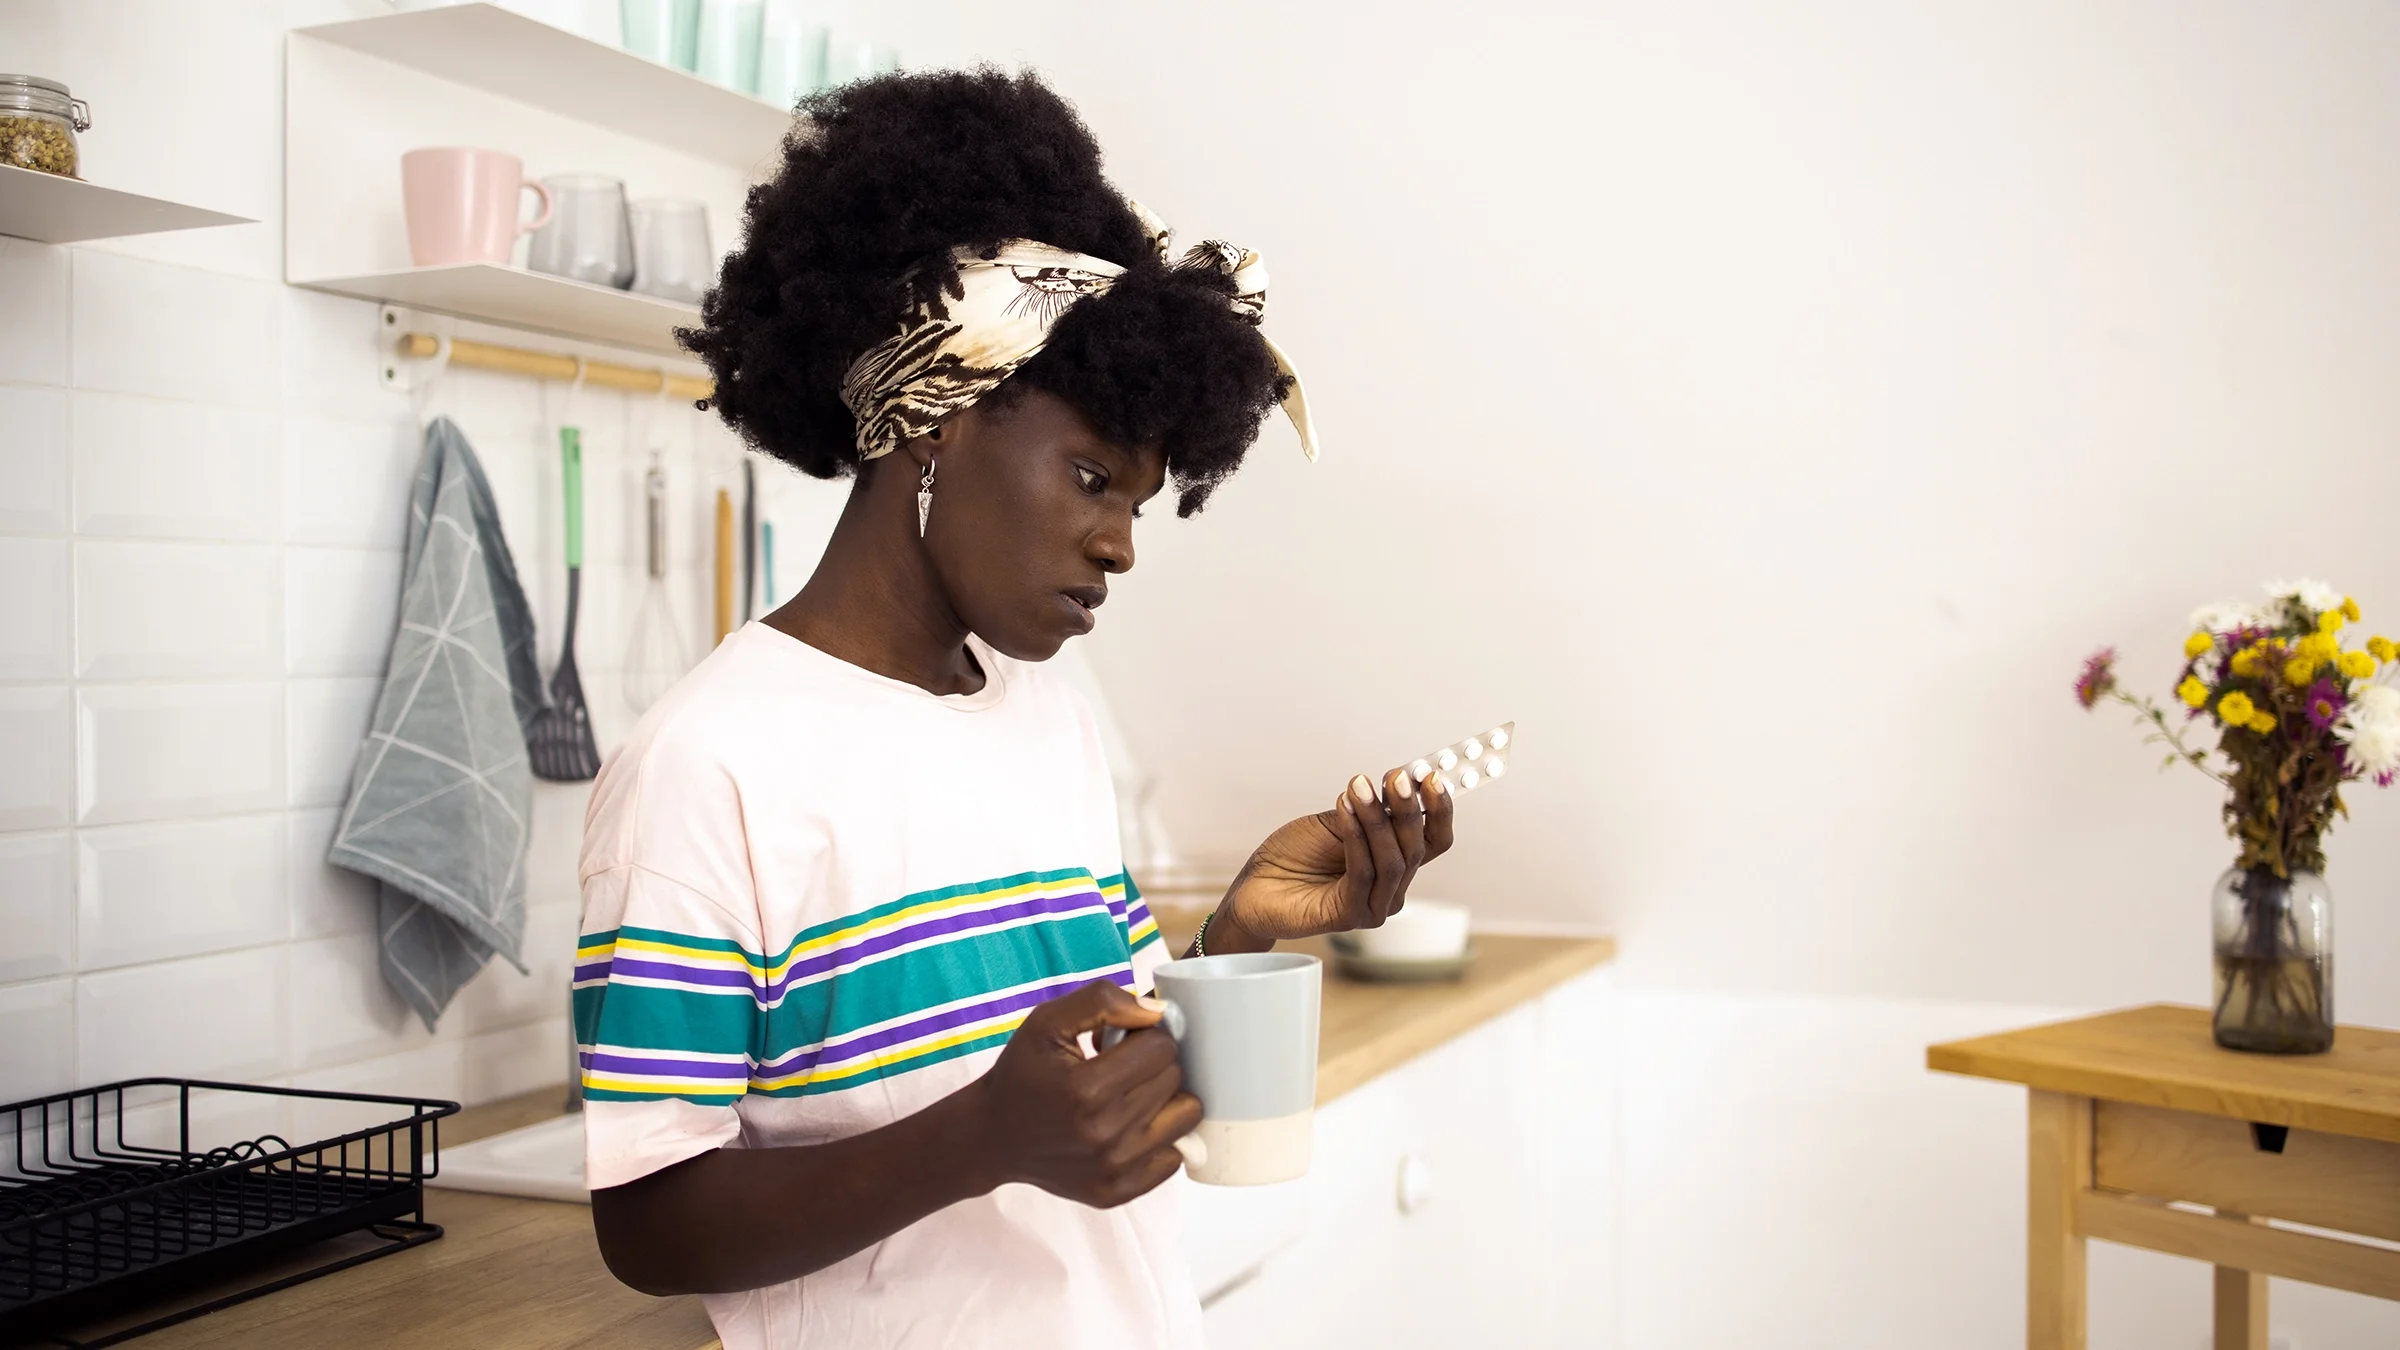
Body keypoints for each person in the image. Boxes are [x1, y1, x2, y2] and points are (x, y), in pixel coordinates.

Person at [572, 68, 1456, 1350]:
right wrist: (980, 1140)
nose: (1121, 547)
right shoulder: (710, 771)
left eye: (1140, 502)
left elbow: (1084, 1079)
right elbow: (646, 1223)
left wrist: (1226, 944)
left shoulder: (1045, 714)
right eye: (1092, 476)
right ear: (931, 425)